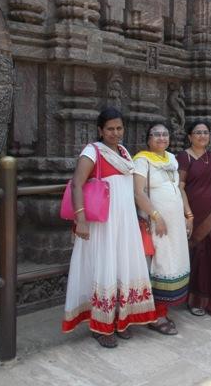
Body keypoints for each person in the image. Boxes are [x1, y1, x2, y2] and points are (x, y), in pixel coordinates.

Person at [62, 107, 157, 348]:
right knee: (102, 267)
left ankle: (120, 318)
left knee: (121, 267)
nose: (115, 133)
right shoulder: (92, 151)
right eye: (110, 129)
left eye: (119, 128)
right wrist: (81, 220)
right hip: (102, 225)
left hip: (124, 223)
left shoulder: (124, 152)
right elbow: (77, 184)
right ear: (100, 130)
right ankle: (100, 325)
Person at [133, 123, 191, 336]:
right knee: (158, 265)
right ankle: (155, 316)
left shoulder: (172, 159)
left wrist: (187, 215)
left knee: (171, 263)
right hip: (156, 224)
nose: (161, 137)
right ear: (148, 139)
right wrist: (157, 217)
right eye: (156, 134)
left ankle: (162, 311)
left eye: (165, 134)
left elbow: (177, 189)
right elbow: (138, 193)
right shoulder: (142, 160)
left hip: (174, 225)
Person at [177, 121, 211, 317]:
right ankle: (195, 300)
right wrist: (188, 214)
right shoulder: (184, 157)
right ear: (190, 136)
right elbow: (179, 187)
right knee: (197, 256)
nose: (202, 136)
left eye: (205, 132)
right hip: (194, 214)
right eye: (198, 132)